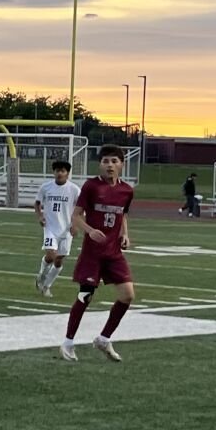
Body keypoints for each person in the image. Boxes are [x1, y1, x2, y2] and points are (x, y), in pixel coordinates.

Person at [61, 145, 136, 362]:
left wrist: (125, 235)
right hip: (92, 253)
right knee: (85, 296)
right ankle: (68, 342)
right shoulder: (92, 186)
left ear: (121, 164)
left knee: (128, 295)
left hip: (113, 253)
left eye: (114, 161)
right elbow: (76, 216)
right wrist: (90, 230)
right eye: (105, 161)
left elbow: (122, 215)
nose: (110, 165)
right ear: (100, 165)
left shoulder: (127, 191)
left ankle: (104, 339)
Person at [33, 159, 81, 297]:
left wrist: (75, 225)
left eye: (63, 171)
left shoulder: (74, 190)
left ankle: (47, 286)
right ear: (53, 172)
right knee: (51, 255)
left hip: (66, 230)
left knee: (59, 260)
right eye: (57, 171)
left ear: (67, 173)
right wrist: (40, 216)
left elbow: (80, 209)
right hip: (50, 228)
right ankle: (41, 275)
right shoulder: (46, 187)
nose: (60, 173)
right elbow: (37, 203)